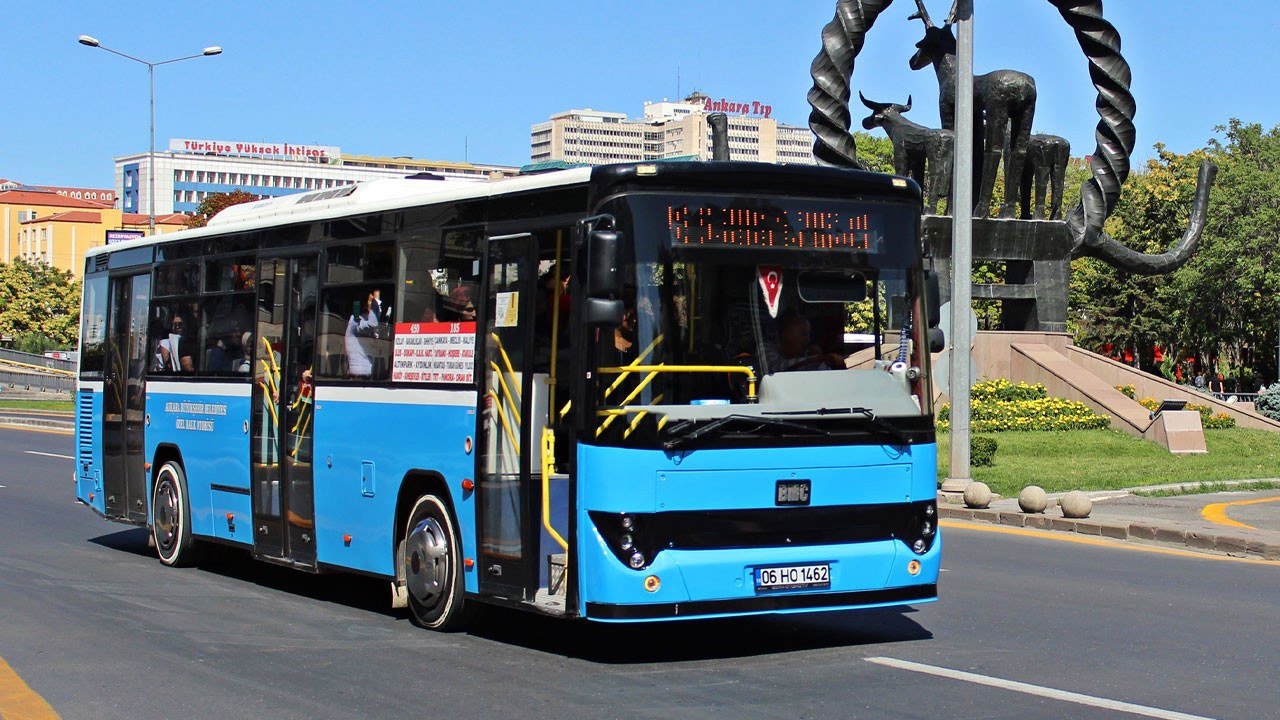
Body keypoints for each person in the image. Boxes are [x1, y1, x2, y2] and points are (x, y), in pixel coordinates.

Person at [776, 313, 844, 371]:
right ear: (786, 334)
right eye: (803, 334)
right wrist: (819, 359)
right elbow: (776, 367)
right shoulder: (767, 348)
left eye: (808, 334)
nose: (808, 340)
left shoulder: (812, 360)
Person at [345, 290, 380, 378]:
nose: (377, 304)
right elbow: (372, 324)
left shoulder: (374, 327)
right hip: (359, 376)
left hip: (370, 375)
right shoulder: (355, 321)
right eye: (373, 302)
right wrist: (374, 306)